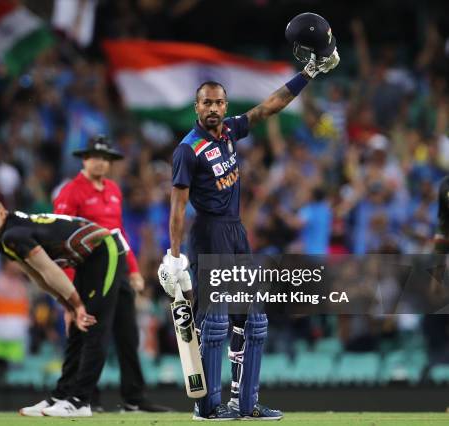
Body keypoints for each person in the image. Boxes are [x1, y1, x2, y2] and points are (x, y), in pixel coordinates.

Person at [158, 13, 340, 420]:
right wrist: (173, 256)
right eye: (207, 102)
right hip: (208, 235)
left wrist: (308, 72)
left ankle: (247, 403)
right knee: (217, 325)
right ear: (196, 106)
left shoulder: (229, 131)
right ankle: (207, 407)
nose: (214, 109)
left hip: (236, 232)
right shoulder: (187, 149)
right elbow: (176, 206)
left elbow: (268, 108)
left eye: (219, 102)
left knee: (254, 322)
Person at [0, 197, 127, 417]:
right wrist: (68, 306)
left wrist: (78, 305)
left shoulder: (13, 234)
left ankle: (80, 401)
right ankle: (61, 396)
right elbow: (37, 276)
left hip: (105, 249)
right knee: (76, 329)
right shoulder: (4, 238)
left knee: (92, 325)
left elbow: (50, 270)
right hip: (86, 260)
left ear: (2, 213)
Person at [53, 135, 169, 412]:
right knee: (92, 334)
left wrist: (132, 269)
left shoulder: (114, 190)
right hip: (88, 273)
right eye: (96, 157)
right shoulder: (70, 192)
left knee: (128, 334)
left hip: (116, 270)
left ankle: (134, 397)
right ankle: (85, 397)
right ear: (85, 159)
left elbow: (118, 234)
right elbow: (61, 240)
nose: (102, 163)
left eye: (106, 158)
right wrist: (68, 288)